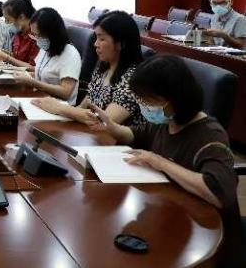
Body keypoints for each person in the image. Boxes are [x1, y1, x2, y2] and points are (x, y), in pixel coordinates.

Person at [89, 55, 243, 267]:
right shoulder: (168, 121)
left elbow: (218, 193)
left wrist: (161, 163)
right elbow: (135, 134)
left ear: (175, 98)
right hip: (174, 217)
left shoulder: (210, 135)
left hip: (210, 240)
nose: (144, 106)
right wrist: (111, 126)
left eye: (149, 101)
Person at [33, 10, 144, 125]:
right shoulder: (103, 68)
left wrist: (60, 108)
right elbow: (82, 108)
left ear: (121, 43)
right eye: (96, 38)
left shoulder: (134, 79)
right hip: (90, 132)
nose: (96, 44)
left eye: (102, 39)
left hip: (110, 136)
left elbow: (106, 121)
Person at [12, 7, 82, 104]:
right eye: (34, 35)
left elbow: (65, 92)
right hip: (41, 98)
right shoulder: (46, 48)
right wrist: (20, 74)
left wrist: (34, 83)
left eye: (39, 36)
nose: (37, 39)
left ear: (53, 34)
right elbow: (41, 73)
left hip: (59, 107)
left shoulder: (70, 54)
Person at [0, 0, 38, 67]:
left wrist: (7, 58)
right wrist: (0, 52)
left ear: (21, 17)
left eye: (8, 19)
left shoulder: (35, 37)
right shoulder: (18, 34)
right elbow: (17, 58)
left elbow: (34, 68)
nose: (6, 23)